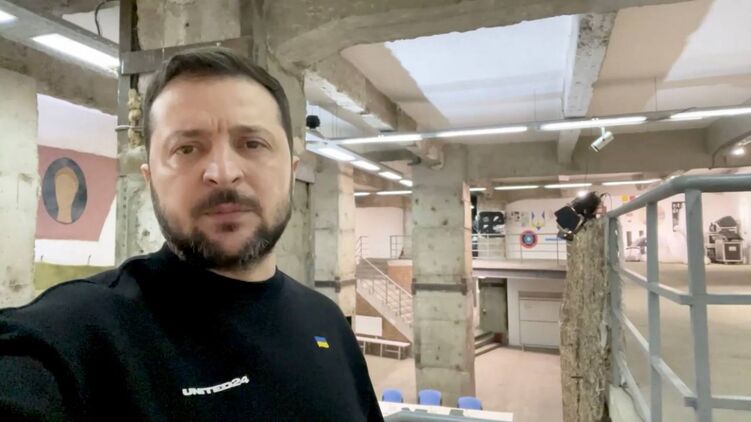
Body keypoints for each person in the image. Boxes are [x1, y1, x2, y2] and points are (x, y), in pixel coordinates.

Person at [0, 47, 383, 422]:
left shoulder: (328, 322)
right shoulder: (81, 333)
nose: (223, 172)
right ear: (150, 179)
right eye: (186, 148)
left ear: (292, 171)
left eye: (253, 143)